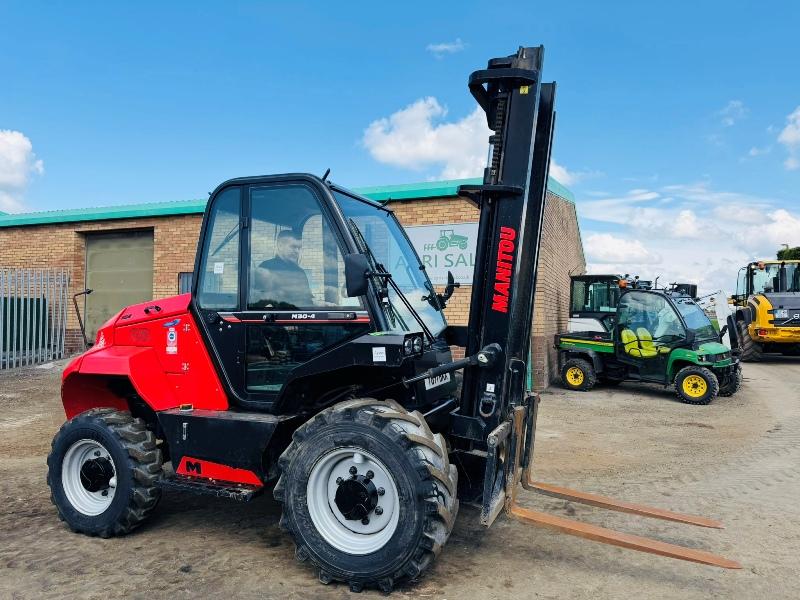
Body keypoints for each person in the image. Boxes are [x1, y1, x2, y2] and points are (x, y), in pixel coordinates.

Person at [252, 230, 314, 308]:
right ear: (280, 246)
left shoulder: (300, 272)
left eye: (299, 248)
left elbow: (308, 301)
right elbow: (258, 301)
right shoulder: (265, 268)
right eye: (293, 247)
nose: (297, 251)